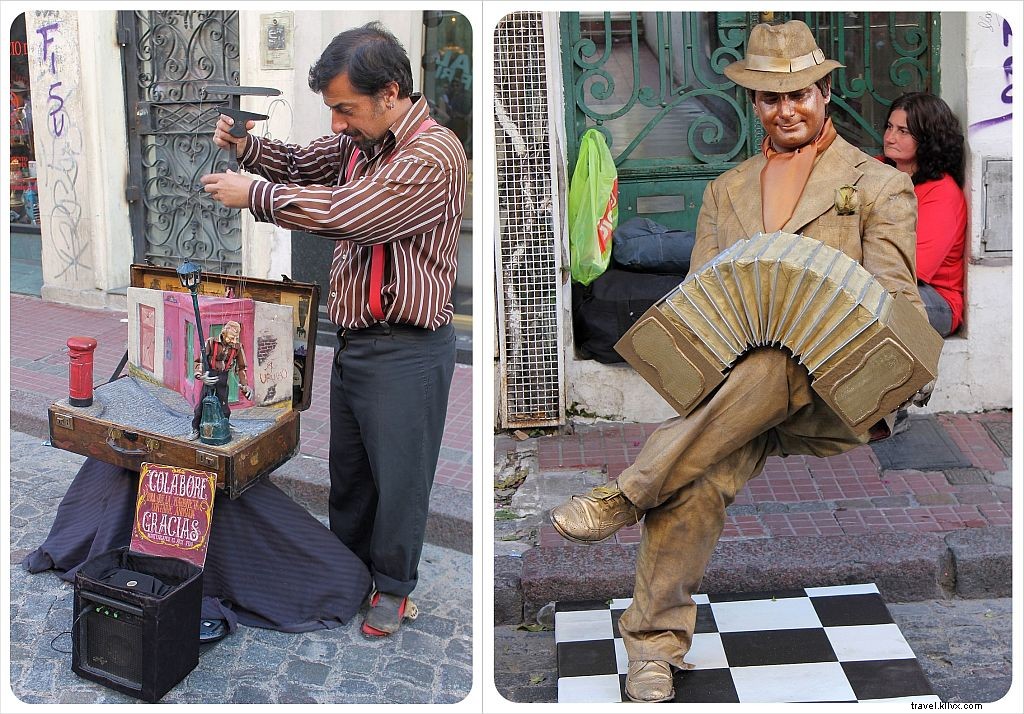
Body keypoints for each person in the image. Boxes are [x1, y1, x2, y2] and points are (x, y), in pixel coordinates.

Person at [550, 20, 927, 702]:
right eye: (769, 98)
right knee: (696, 476)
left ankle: (629, 490)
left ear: (825, 92)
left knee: (782, 360)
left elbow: (895, 307)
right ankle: (652, 651)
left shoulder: (876, 186)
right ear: (753, 103)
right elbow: (703, 303)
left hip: (836, 395)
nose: (787, 111)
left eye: (801, 95)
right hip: (736, 399)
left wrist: (841, 340)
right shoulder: (726, 191)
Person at [201, 22, 467, 637]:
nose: (338, 123)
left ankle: (394, 589)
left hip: (408, 350)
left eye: (346, 109)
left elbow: (357, 214)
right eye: (333, 110)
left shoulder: (435, 152)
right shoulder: (358, 141)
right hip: (353, 342)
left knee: (401, 481)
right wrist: (248, 148)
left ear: (391, 93)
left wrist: (257, 196)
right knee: (349, 474)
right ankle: (345, 570)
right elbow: (301, 161)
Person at [880, 92, 966, 337]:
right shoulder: (879, 170)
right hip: (886, 283)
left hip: (935, 299)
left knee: (866, 304)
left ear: (927, 138)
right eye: (889, 127)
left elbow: (913, 269)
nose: (890, 137)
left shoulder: (943, 193)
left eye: (903, 131)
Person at [188, 320, 252, 440]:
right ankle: (195, 428)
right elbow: (201, 361)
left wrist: (245, 385)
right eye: (231, 337)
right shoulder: (211, 342)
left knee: (224, 406)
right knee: (202, 404)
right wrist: (201, 376)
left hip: (223, 376)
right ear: (224, 333)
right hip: (210, 374)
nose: (234, 341)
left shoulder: (237, 347)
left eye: (236, 338)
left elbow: (242, 368)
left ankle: (225, 424)